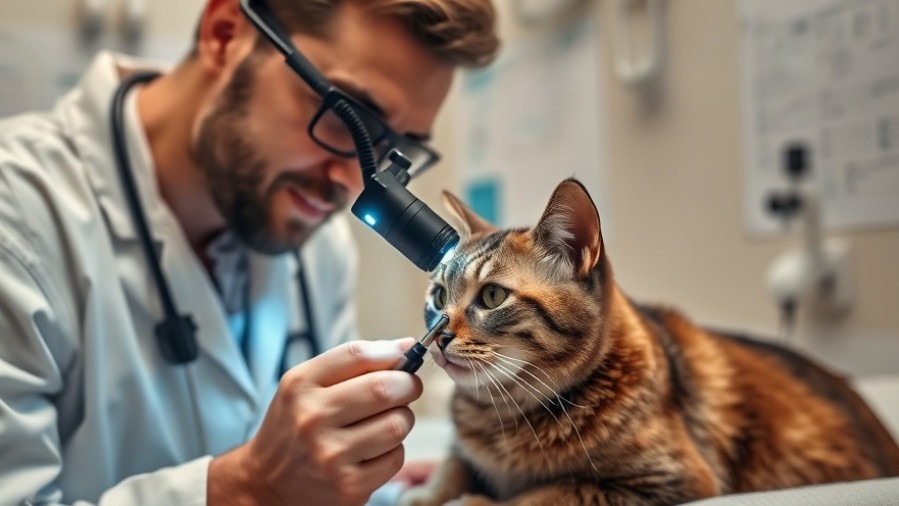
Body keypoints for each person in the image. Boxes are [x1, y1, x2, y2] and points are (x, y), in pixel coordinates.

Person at [0, 0, 498, 504]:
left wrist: (383, 492)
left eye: (397, 151)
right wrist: (249, 486)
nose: (350, 184)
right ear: (224, 35)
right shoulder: (16, 215)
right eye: (349, 119)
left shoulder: (317, 244)